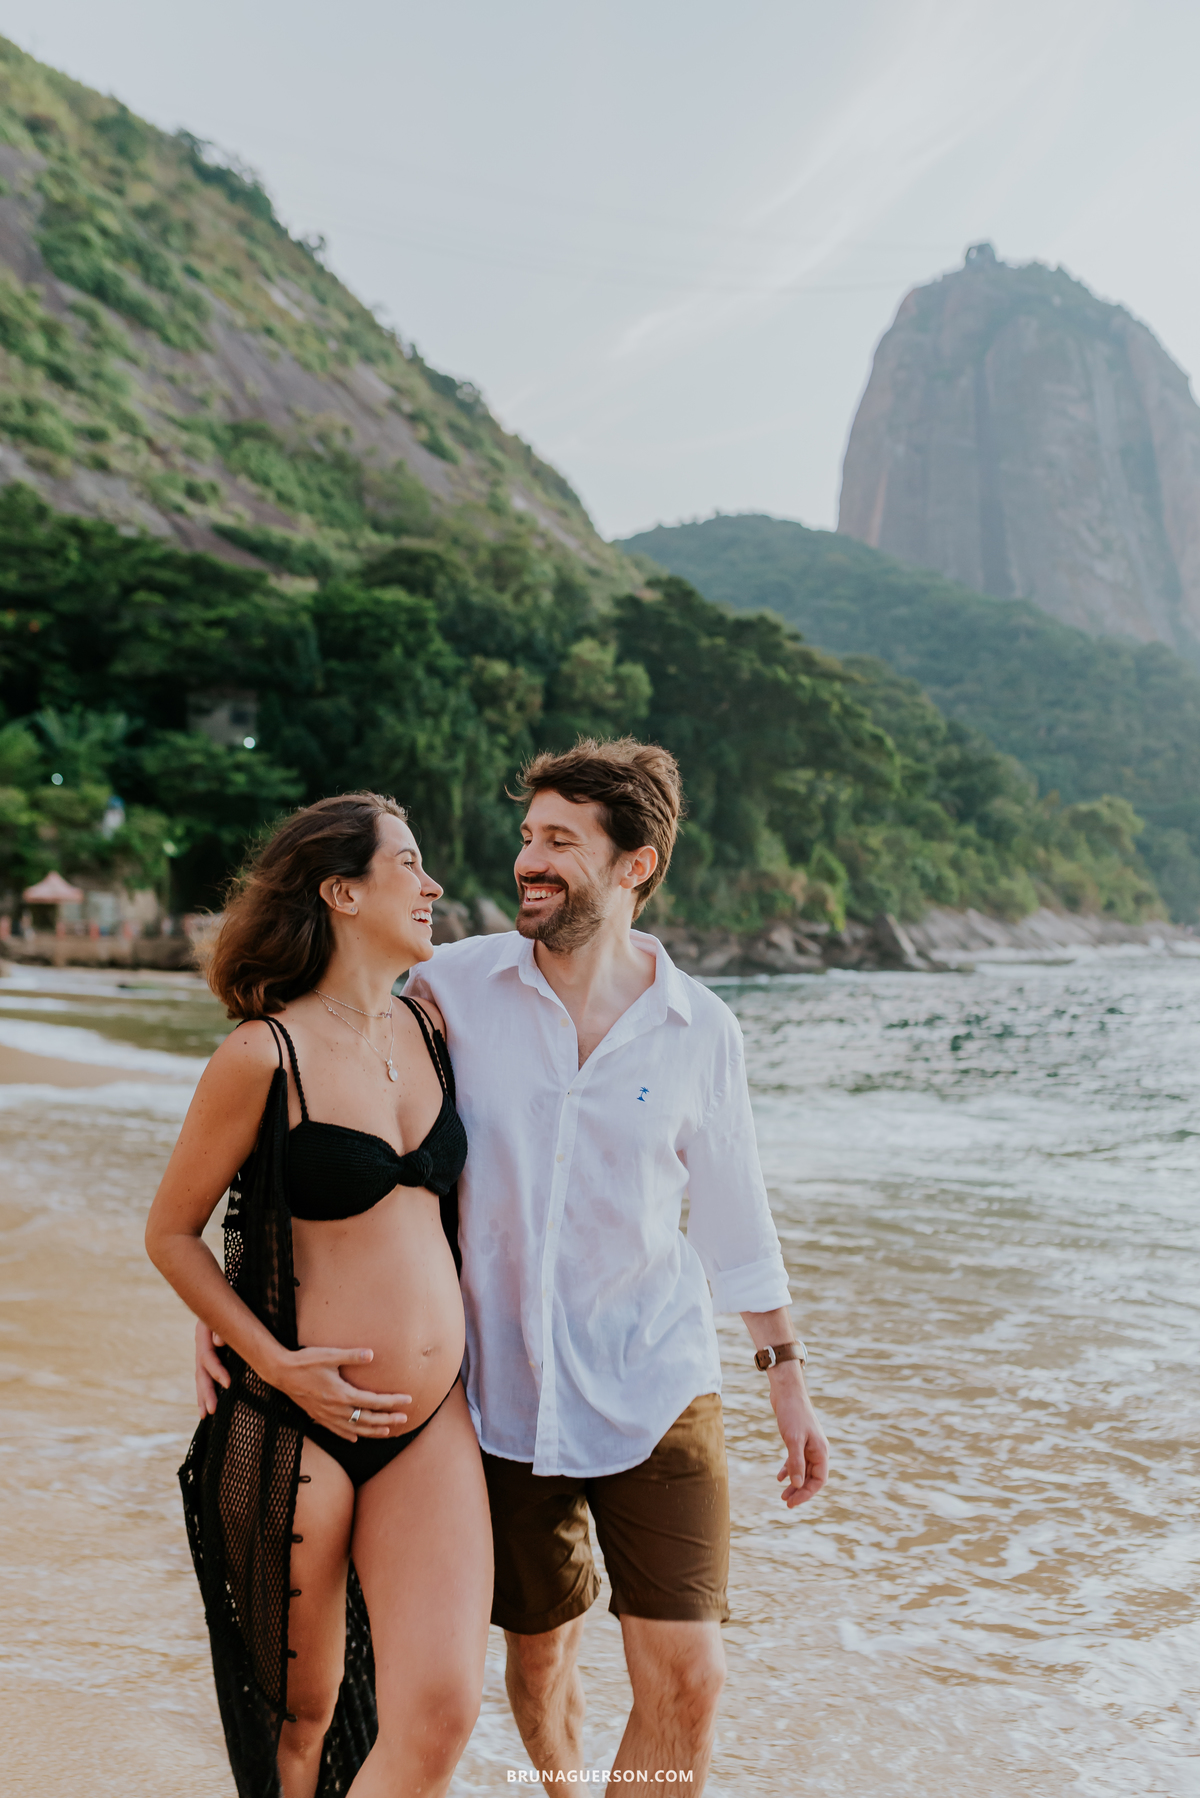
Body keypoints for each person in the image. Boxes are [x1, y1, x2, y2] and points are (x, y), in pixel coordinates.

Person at [199, 736, 829, 1793]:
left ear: (635, 866)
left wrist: (788, 1379)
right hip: (496, 1396)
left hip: (657, 1381)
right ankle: (563, 1784)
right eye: (528, 836)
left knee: (690, 1677)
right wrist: (234, 1307)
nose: (528, 860)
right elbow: (302, 1115)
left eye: (560, 843)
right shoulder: (448, 987)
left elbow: (734, 1219)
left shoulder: (700, 1029)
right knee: (537, 1666)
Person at [147, 792, 491, 1798]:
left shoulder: (432, 1031)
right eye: (410, 866)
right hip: (296, 1423)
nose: (432, 888)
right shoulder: (263, 1056)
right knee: (300, 1726)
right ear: (341, 890)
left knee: (441, 1710)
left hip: (433, 1422)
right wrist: (266, 1355)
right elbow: (175, 1233)